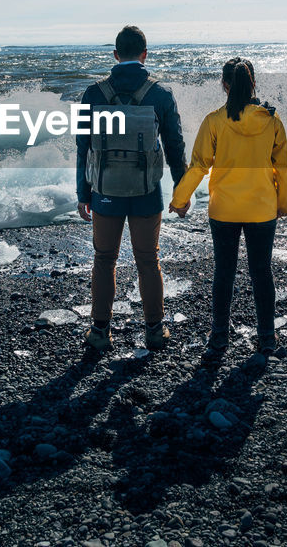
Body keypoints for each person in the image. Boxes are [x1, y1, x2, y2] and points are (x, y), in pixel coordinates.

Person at [75, 26, 187, 352]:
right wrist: (181, 192)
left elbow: (84, 147)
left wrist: (84, 194)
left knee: (104, 259)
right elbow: (175, 147)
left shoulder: (93, 94)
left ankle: (99, 332)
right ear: (144, 54)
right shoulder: (160, 95)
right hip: (147, 191)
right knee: (148, 261)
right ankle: (154, 330)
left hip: (105, 190)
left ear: (114, 55)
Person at [170, 57, 287, 358]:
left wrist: (180, 200)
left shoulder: (214, 121)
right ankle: (267, 338)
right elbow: (282, 167)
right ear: (253, 85)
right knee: (261, 272)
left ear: (225, 85)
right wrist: (282, 204)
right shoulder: (272, 121)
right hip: (261, 208)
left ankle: (220, 337)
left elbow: (199, 166)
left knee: (224, 272)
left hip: (223, 209)